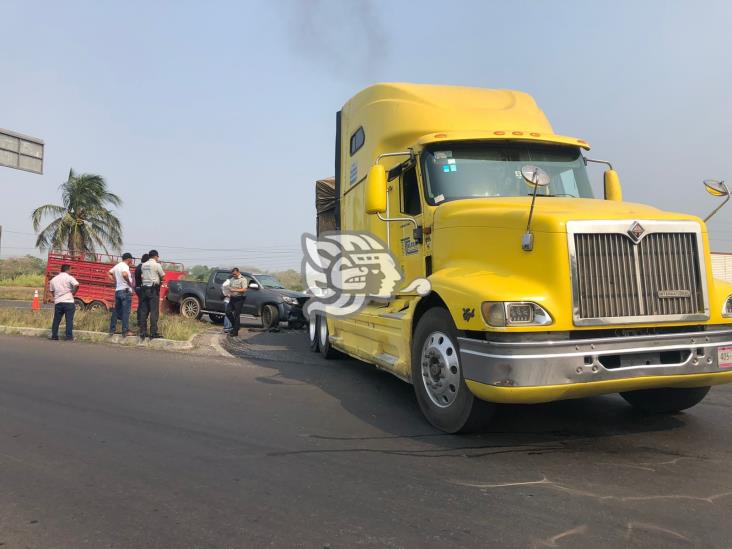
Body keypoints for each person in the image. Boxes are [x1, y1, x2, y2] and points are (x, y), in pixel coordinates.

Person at [138, 249, 165, 339]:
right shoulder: (156, 265)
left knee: (143, 311)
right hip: (153, 290)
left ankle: (143, 332)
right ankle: (153, 333)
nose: (158, 258)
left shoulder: (143, 265)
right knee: (154, 311)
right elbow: (163, 276)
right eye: (158, 256)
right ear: (155, 256)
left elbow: (142, 276)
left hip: (144, 290)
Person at [48, 264, 79, 341]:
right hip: (68, 301)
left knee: (56, 320)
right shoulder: (69, 277)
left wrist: (55, 297)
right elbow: (77, 284)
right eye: (70, 269)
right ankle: (69, 337)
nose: (71, 271)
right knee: (69, 320)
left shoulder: (53, 279)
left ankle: (54, 336)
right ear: (68, 270)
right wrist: (73, 293)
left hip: (58, 302)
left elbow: (51, 291)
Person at [108, 252, 135, 336]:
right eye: (131, 259)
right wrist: (129, 283)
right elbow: (124, 274)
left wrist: (115, 281)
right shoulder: (125, 266)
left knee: (116, 311)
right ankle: (125, 331)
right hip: (125, 291)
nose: (132, 261)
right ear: (128, 259)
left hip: (118, 291)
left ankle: (112, 330)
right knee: (126, 311)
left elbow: (109, 273)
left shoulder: (117, 265)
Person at [225, 268, 248, 337]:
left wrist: (234, 290)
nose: (234, 275)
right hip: (232, 298)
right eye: (233, 274)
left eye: (235, 274)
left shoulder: (243, 279)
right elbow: (230, 287)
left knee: (236, 315)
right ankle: (236, 326)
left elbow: (244, 289)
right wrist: (228, 290)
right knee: (227, 312)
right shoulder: (232, 279)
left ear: (238, 272)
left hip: (239, 299)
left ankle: (235, 332)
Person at [134, 253, 149, 326]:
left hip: (137, 287)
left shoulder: (138, 266)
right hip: (141, 288)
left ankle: (139, 320)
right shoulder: (143, 267)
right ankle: (140, 321)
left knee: (140, 304)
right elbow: (143, 277)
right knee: (143, 305)